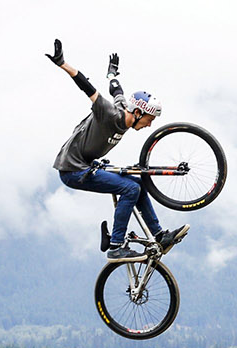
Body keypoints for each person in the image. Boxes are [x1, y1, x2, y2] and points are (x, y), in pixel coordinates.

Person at [46, 39, 187, 262]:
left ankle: (160, 236)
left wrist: (112, 73)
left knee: (138, 183)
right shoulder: (109, 113)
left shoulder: (125, 109)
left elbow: (116, 89)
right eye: (149, 119)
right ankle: (116, 246)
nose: (150, 124)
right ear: (138, 113)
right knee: (130, 189)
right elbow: (86, 87)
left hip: (87, 165)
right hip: (73, 170)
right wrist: (63, 64)